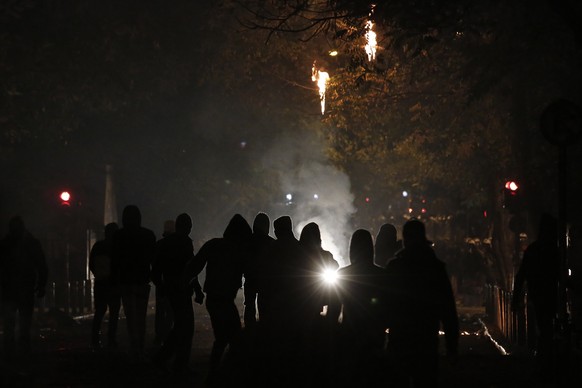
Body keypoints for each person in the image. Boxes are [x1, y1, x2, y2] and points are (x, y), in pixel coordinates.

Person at [385, 218, 459, 387]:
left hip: (400, 339)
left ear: (405, 240)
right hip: (426, 340)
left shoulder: (396, 267)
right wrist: (452, 348)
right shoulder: (435, 268)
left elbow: (384, 302)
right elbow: (448, 310)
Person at [185, 214, 252, 385]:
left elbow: (193, 267)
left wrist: (193, 287)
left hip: (214, 299)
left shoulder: (213, 245)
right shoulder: (238, 250)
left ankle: (216, 374)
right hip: (224, 300)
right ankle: (221, 374)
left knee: (224, 338)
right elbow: (251, 272)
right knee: (232, 339)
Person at [151, 213, 204, 378]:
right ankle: (177, 363)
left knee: (180, 327)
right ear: (187, 227)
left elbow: (156, 269)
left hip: (171, 289)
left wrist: (161, 286)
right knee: (186, 328)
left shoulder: (165, 244)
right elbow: (191, 268)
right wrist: (197, 289)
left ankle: (167, 359)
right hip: (182, 290)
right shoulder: (186, 243)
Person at [336, 229, 387, 386]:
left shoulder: (343, 274)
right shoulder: (382, 275)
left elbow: (334, 308)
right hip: (374, 334)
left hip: (350, 333)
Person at [512, 213, 559, 379]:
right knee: (547, 330)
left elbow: (521, 275)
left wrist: (515, 298)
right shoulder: (554, 250)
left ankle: (544, 363)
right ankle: (546, 364)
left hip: (539, 295)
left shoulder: (536, 250)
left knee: (545, 330)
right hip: (549, 295)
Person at [111, 205, 156, 362]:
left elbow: (115, 261)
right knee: (140, 317)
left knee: (130, 316)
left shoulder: (119, 236)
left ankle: (133, 346)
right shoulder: (148, 235)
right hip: (142, 280)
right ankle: (140, 347)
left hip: (125, 281)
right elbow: (153, 259)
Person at [0, 216, 48, 359]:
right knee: (24, 323)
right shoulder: (31, 243)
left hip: (10, 289)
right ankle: (23, 351)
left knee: (11, 323)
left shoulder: (5, 244)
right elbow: (41, 266)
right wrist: (41, 285)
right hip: (24, 288)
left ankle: (10, 352)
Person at [89, 222, 121, 349]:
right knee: (114, 314)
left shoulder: (98, 246)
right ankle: (111, 340)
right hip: (114, 284)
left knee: (99, 312)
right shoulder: (118, 247)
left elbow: (92, 264)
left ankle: (95, 339)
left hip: (101, 283)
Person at [243, 212, 274, 329]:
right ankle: (263, 330)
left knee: (249, 306)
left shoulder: (247, 241)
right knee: (264, 306)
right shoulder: (271, 243)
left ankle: (249, 329)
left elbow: (242, 260)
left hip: (250, 279)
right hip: (265, 281)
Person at [153, 220, 176, 347]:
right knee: (171, 311)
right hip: (172, 283)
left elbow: (154, 265)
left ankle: (159, 336)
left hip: (161, 283)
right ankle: (166, 335)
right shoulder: (178, 245)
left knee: (160, 312)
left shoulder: (159, 244)